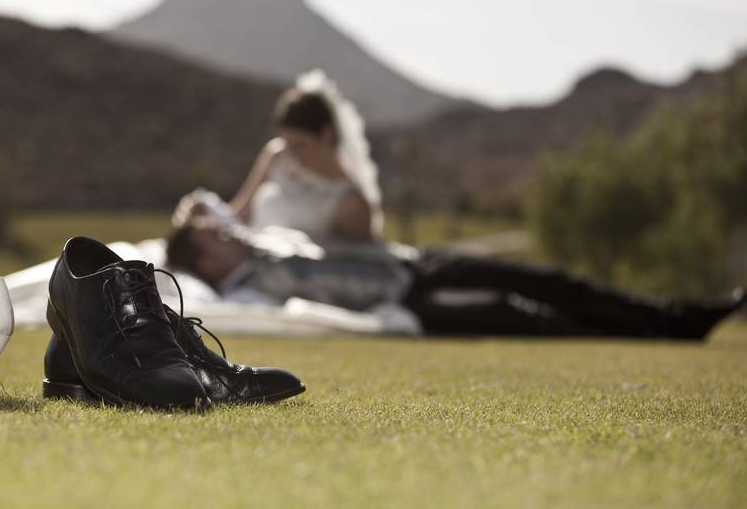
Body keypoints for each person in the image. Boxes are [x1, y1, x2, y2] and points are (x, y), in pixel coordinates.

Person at [164, 219, 746, 339]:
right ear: (204, 256)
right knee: (524, 314)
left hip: (420, 261)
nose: (224, 229)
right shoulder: (247, 289)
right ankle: (662, 330)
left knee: (554, 283)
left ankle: (676, 318)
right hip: (413, 299)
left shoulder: (265, 242)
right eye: (210, 233)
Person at [173, 70, 383, 242]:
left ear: (326, 135)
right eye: (287, 143)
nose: (291, 154)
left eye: (300, 145)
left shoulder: (352, 203)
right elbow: (237, 216)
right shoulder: (277, 156)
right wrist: (203, 209)